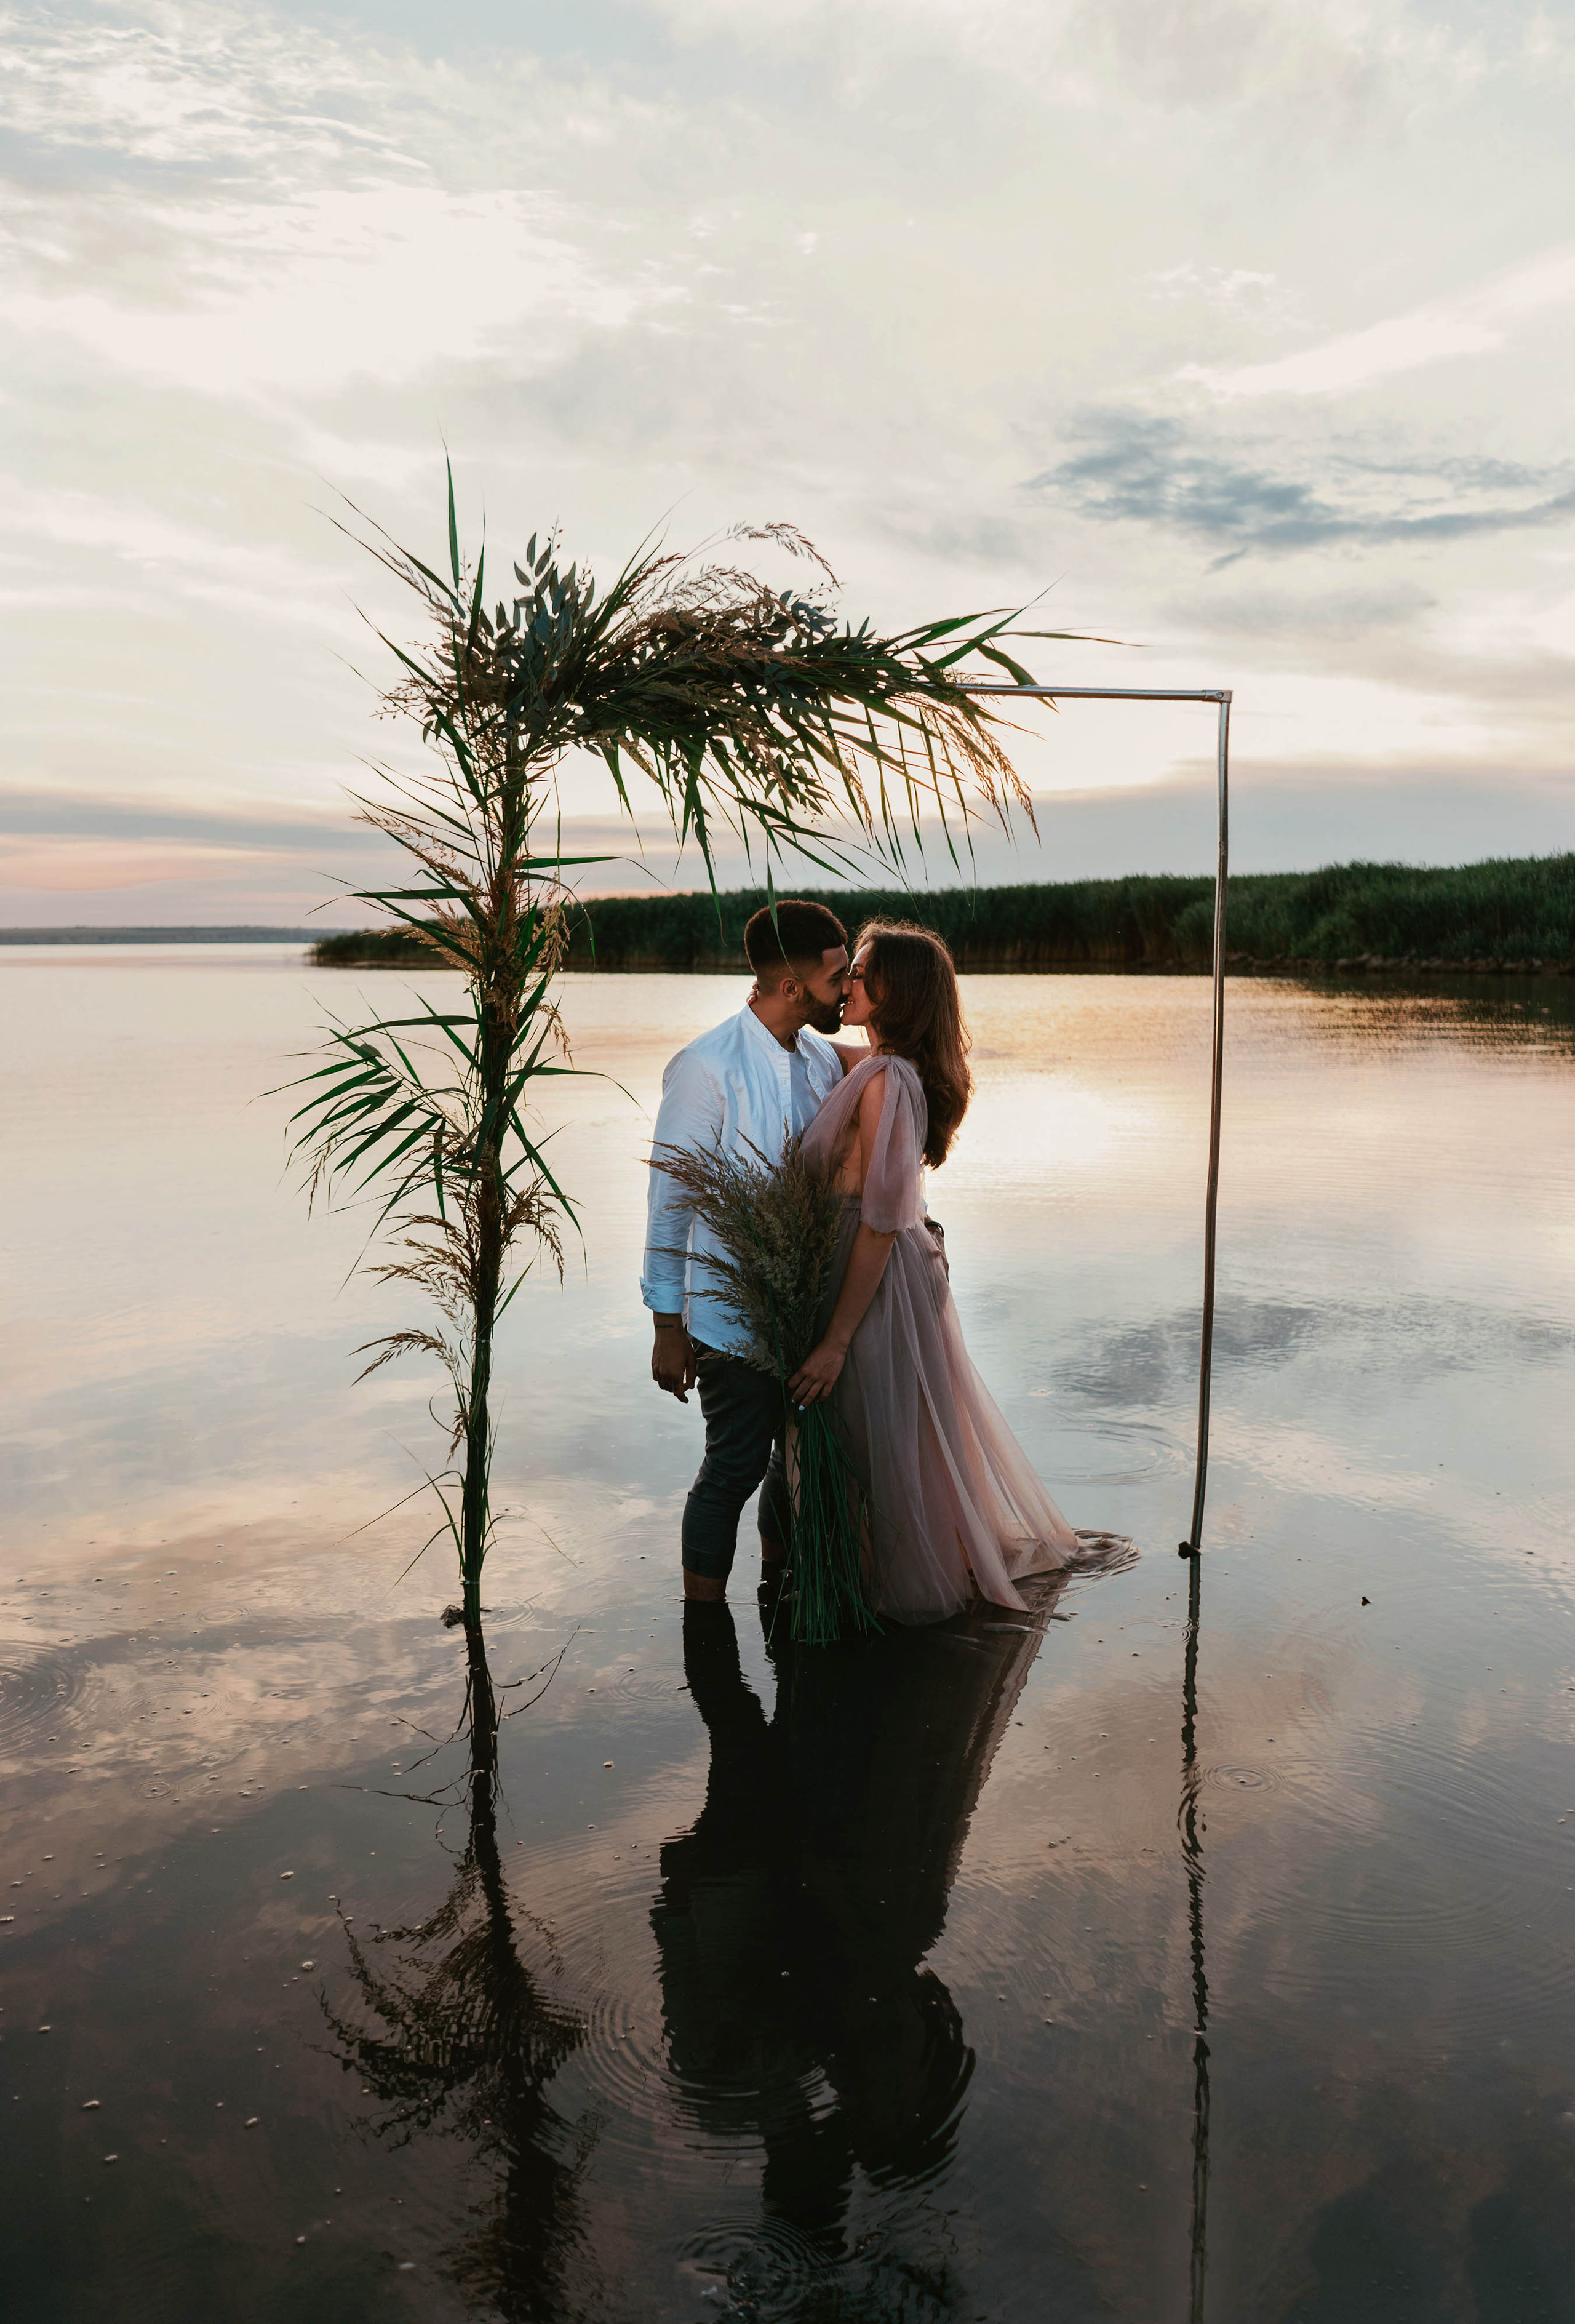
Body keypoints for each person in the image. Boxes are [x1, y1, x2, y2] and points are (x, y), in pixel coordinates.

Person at [790, 920, 1126, 1623]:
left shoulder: (885, 1081)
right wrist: (784, 1015)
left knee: (873, 1444)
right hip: (884, 1271)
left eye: (861, 973)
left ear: (896, 992)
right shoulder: (888, 1066)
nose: (847, 982)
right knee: (888, 1439)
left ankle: (884, 1603)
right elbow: (823, 1046)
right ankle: (864, 1593)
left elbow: (880, 1221)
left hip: (872, 1279)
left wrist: (836, 1341)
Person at [643, 898, 851, 1602]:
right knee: (733, 1466)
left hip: (807, 1307)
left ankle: (778, 1588)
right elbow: (670, 1206)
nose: (846, 989)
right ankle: (701, 1624)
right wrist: (667, 1327)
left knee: (792, 1461)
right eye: (836, 978)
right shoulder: (705, 1067)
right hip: (729, 1315)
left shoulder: (820, 1059)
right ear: (791, 987)